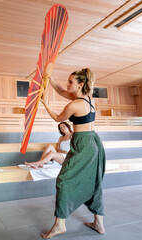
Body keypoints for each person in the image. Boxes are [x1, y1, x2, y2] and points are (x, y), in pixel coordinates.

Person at [40, 68, 106, 239]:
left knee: (63, 180)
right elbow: (61, 91)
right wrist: (49, 78)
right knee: (94, 181)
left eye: (70, 82)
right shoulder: (87, 99)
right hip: (94, 141)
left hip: (83, 143)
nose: (67, 84)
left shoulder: (74, 104)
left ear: (81, 84)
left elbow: (57, 118)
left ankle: (59, 224)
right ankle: (99, 223)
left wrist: (45, 103)